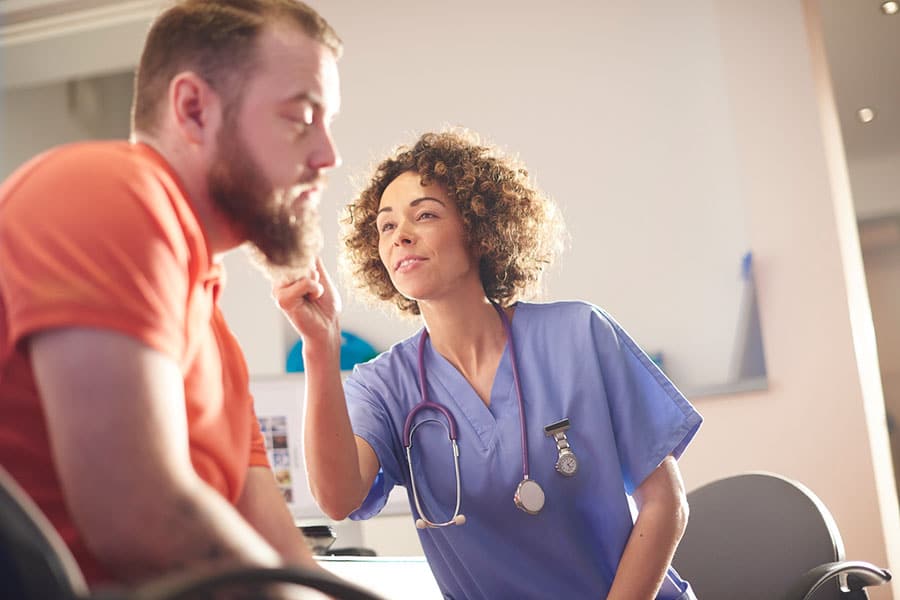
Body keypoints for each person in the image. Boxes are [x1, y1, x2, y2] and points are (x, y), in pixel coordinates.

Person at [0, 0, 343, 591]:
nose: (327, 155)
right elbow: (144, 520)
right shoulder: (109, 187)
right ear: (193, 109)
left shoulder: (215, 337)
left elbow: (283, 558)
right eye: (300, 117)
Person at [276, 129, 703, 599]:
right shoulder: (383, 386)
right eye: (386, 226)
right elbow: (338, 498)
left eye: (426, 215)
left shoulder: (579, 335)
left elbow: (666, 503)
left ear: (480, 231)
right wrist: (319, 347)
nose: (402, 236)